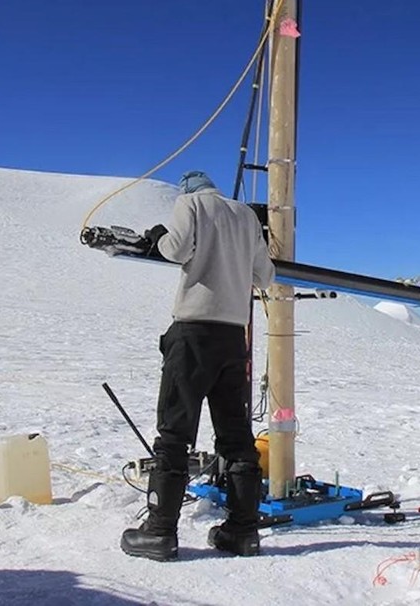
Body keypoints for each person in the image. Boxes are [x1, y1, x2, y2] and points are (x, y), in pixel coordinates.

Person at [121, 171, 275, 561]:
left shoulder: (190, 204)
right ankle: (243, 532)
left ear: (188, 189)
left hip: (193, 332)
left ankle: (159, 533)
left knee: (174, 432)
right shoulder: (245, 216)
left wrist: (157, 236)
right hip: (232, 337)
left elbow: (175, 250)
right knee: (236, 436)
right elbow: (265, 276)